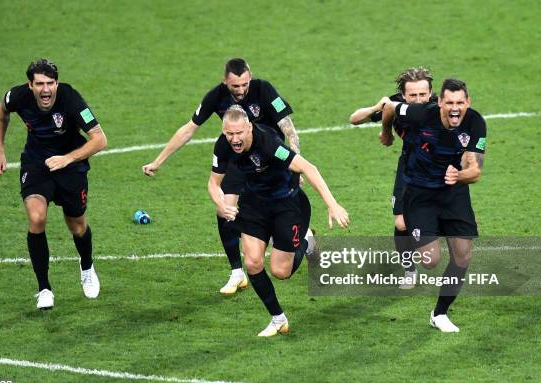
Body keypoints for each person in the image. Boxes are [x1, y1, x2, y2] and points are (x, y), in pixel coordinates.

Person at [142, 58, 302, 295]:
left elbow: (287, 126)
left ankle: (302, 237)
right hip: (239, 157)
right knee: (224, 209)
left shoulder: (263, 89)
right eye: (235, 86)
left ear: (251, 77)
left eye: (244, 84)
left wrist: (295, 159)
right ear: (225, 82)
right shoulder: (216, 96)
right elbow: (189, 128)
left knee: (278, 210)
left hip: (271, 160)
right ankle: (237, 272)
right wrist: (159, 160)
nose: (241, 90)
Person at [209, 105, 349, 336]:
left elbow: (308, 167)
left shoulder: (269, 144)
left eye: (238, 133)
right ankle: (278, 318)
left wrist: (332, 204)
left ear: (249, 127)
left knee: (280, 272)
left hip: (287, 205)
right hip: (254, 206)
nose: (234, 139)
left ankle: (306, 239)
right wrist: (221, 204)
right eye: (229, 134)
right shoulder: (223, 146)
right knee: (253, 263)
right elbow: (213, 183)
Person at [0, 59, 107, 310]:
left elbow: (100, 140)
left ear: (57, 82)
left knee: (77, 225)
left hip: (71, 165)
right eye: (40, 84)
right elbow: (2, 112)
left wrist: (67, 159)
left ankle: (86, 266)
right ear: (30, 85)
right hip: (37, 163)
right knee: (36, 218)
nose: (46, 90)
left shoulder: (71, 98)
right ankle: (44, 288)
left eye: (51, 83)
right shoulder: (17, 96)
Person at [380, 78, 486, 332]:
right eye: (449, 102)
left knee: (463, 255)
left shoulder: (475, 122)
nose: (455, 108)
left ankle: (439, 314)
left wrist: (459, 175)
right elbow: (390, 107)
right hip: (420, 193)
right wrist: (386, 132)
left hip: (453, 193)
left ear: (467, 102)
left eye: (460, 102)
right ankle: (424, 230)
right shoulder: (420, 113)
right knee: (430, 260)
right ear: (439, 102)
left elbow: (475, 170)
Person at [350, 67, 435, 289]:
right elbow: (354, 119)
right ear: (404, 96)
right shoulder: (396, 105)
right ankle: (409, 269)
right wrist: (380, 109)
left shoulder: (439, 108)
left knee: (432, 251)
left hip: (437, 171)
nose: (418, 100)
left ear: (431, 93)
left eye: (423, 95)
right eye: (413, 95)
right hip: (409, 168)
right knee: (401, 223)